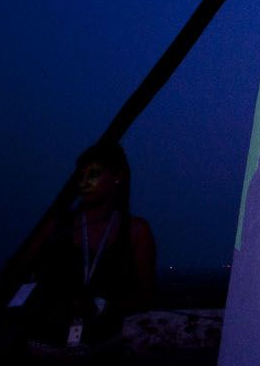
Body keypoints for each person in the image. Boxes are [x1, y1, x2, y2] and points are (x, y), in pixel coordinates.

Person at [11, 141, 157, 355]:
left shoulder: (136, 231)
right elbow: (18, 275)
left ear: (117, 177)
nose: (84, 182)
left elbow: (145, 294)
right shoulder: (56, 228)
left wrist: (101, 305)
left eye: (94, 174)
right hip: (43, 345)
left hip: (101, 347)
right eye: (81, 175)